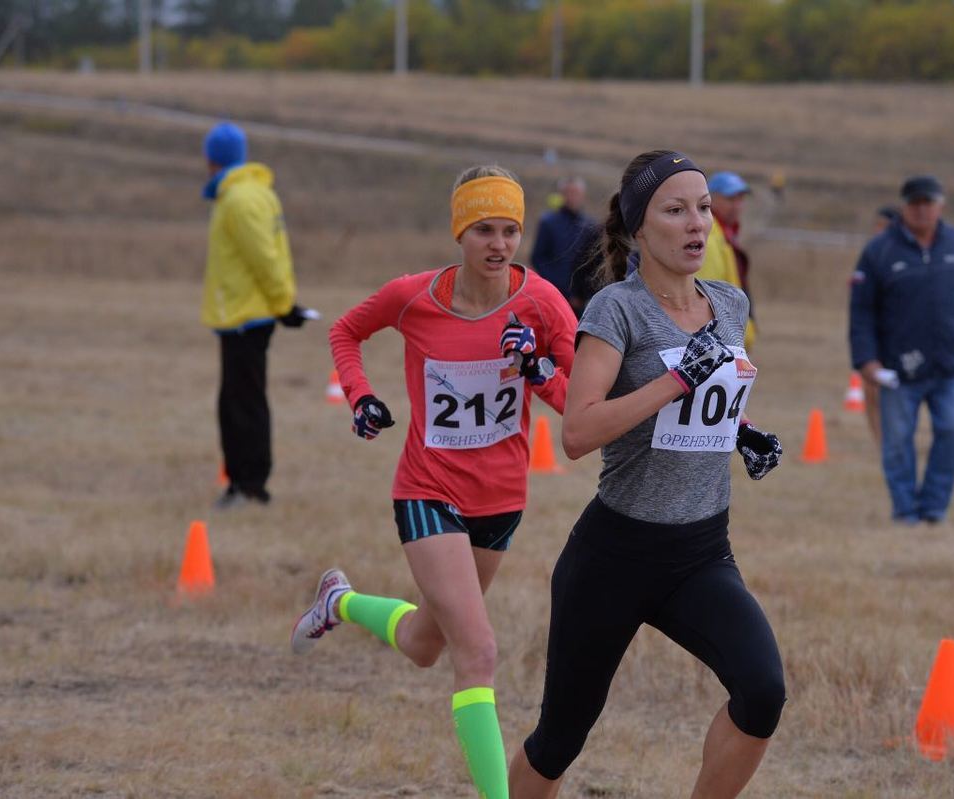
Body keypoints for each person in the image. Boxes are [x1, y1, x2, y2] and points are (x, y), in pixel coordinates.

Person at [290, 165, 577, 799]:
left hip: (501, 502)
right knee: (476, 652)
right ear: (459, 233)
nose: (499, 245)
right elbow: (345, 331)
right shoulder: (413, 297)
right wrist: (361, 396)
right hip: (426, 490)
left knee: (426, 643)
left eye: (509, 231)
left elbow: (580, 402)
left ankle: (337, 602)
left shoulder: (544, 303)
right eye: (483, 231)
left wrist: (536, 369)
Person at [509, 150, 787, 798]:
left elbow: (702, 408)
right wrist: (673, 380)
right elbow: (577, 432)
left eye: (703, 209)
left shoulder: (729, 301)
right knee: (558, 742)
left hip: (700, 551)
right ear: (640, 228)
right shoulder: (616, 310)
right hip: (614, 556)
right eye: (675, 209)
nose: (696, 224)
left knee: (762, 690)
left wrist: (742, 435)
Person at [849, 175, 954, 524]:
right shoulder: (878, 250)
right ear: (904, 207)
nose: (922, 210)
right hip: (899, 367)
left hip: (953, 362)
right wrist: (866, 360)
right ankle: (905, 510)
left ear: (941, 205)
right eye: (915, 203)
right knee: (897, 440)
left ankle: (933, 509)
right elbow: (861, 312)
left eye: (928, 203)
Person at [200, 121, 313, 509]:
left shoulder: (239, 200)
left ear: (212, 159)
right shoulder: (254, 194)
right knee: (237, 400)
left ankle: (249, 487)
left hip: (246, 316)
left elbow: (265, 258)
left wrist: (283, 304)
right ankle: (243, 482)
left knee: (242, 404)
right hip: (243, 315)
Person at [697, 171, 757, 349]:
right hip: (722, 343)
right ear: (711, 199)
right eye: (731, 199)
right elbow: (711, 292)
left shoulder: (725, 235)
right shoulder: (710, 237)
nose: (737, 206)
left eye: (741, 199)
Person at [860, 205, 904, 444]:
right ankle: (880, 441)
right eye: (875, 225)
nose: (877, 231)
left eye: (882, 226)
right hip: (872, 335)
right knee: (870, 389)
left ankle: (896, 438)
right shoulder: (871, 256)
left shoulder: (902, 257)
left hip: (896, 337)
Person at [530, 176, 597, 316]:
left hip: (581, 301)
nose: (572, 197)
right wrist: (561, 289)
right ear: (561, 195)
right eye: (568, 192)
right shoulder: (548, 222)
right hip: (552, 295)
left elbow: (593, 263)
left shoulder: (590, 226)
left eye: (576, 193)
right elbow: (538, 258)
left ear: (582, 195)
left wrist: (582, 294)